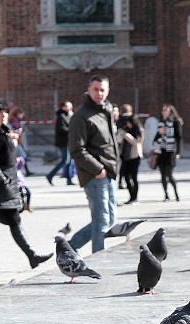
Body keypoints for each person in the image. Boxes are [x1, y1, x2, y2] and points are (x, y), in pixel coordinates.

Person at [0, 98, 52, 273]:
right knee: (10, 218)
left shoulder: (1, 131)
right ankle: (31, 255)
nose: (4, 114)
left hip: (2, 185)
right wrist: (3, 181)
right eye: (0, 111)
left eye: (6, 111)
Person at [67, 75, 118, 253]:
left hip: (109, 172)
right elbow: (76, 150)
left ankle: (69, 248)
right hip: (95, 175)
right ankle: (99, 258)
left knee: (109, 219)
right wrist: (98, 169)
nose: (99, 93)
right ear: (88, 90)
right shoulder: (81, 116)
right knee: (102, 221)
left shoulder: (105, 111)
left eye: (102, 89)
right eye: (96, 89)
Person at [155, 104, 183, 201]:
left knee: (169, 174)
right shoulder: (160, 123)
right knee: (162, 175)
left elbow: (178, 137)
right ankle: (166, 195)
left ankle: (176, 194)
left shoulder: (175, 122)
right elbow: (155, 139)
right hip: (161, 151)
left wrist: (178, 152)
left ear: (170, 111)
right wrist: (159, 133)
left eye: (166, 110)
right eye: (162, 110)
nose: (164, 112)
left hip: (171, 151)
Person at [117, 112, 143, 204]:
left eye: (129, 123)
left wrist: (126, 136)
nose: (127, 125)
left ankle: (135, 197)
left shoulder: (139, 130)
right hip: (125, 156)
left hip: (135, 156)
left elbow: (137, 143)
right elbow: (119, 141)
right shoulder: (125, 130)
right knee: (126, 177)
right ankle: (131, 196)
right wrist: (120, 135)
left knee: (134, 177)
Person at [46, 101, 74, 185]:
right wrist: (71, 130)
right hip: (63, 141)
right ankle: (51, 175)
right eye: (68, 106)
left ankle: (69, 179)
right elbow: (61, 129)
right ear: (63, 107)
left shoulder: (67, 115)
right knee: (65, 160)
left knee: (69, 161)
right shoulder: (61, 116)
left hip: (68, 141)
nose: (70, 108)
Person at [8, 106, 33, 176]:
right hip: (16, 140)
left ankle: (25, 171)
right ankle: (22, 171)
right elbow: (14, 129)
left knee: (21, 156)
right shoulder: (15, 119)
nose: (22, 116)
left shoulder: (13, 119)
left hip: (17, 141)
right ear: (19, 113)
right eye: (22, 114)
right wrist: (18, 131)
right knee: (22, 156)